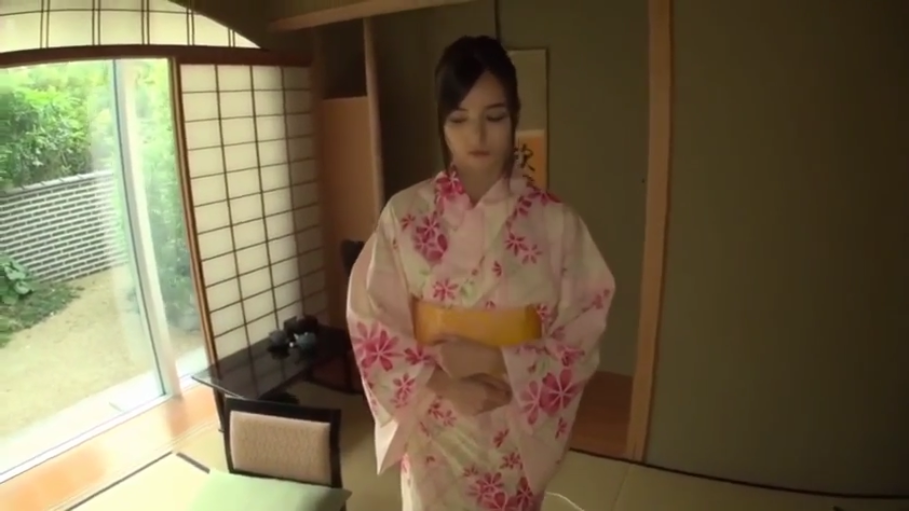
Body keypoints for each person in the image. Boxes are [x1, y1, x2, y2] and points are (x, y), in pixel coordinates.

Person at [346, 35, 615, 511]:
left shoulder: (556, 223)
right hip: (432, 422)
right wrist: (446, 384)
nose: (478, 135)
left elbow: (583, 327)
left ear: (515, 117)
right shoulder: (403, 215)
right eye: (459, 119)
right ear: (442, 123)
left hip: (513, 421)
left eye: (494, 117)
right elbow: (371, 321)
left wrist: (496, 359)